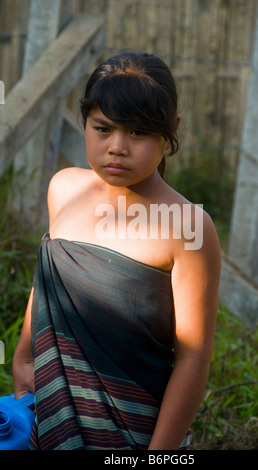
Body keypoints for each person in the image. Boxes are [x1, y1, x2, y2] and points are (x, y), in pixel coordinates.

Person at [12, 51, 221, 450]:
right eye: (102, 128)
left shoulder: (189, 227)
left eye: (138, 132)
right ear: (85, 122)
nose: (117, 147)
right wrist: (23, 358)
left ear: (171, 130)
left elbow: (193, 358)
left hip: (134, 432)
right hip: (52, 413)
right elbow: (48, 285)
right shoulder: (64, 189)